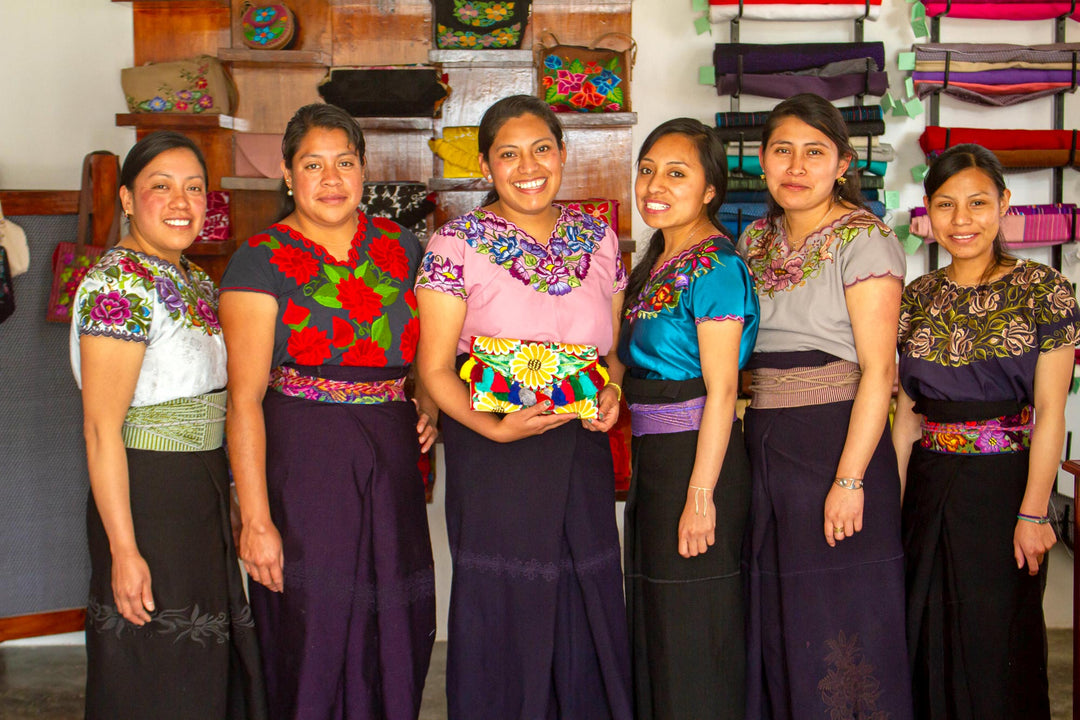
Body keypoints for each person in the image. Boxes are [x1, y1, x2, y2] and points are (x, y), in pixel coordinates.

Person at [415, 94, 632, 720]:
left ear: (563, 155)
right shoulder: (455, 244)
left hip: (582, 441)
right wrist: (497, 429)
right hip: (494, 450)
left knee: (582, 587)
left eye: (541, 149)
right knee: (505, 596)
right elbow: (433, 367)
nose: (527, 166)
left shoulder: (598, 237)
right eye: (508, 154)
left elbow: (612, 351)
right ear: (486, 166)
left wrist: (612, 391)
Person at [218, 103, 437, 720]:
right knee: (312, 626)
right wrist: (255, 519)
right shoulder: (259, 258)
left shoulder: (403, 248)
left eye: (345, 162)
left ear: (365, 170)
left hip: (392, 460)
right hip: (305, 460)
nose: (331, 178)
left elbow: (431, 350)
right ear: (287, 175)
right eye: (312, 165)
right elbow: (243, 400)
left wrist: (426, 402)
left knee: (396, 619)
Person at [70, 130, 266, 719]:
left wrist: (228, 493)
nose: (182, 202)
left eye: (194, 188)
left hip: (198, 490)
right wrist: (123, 550)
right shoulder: (118, 284)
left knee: (202, 663)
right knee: (158, 660)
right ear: (127, 199)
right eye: (161, 187)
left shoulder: (194, 278)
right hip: (148, 492)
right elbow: (102, 429)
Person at [737, 93, 914, 719]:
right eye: (782, 150)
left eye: (815, 153)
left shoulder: (865, 238)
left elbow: (880, 370)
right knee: (779, 614)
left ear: (842, 164)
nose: (796, 166)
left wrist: (850, 478)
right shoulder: (754, 239)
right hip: (763, 445)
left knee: (842, 615)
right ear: (761, 160)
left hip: (835, 441)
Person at [893, 143, 1079, 720]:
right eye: (945, 205)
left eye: (977, 203)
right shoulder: (916, 297)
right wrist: (894, 509)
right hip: (928, 482)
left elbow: (1051, 410)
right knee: (923, 634)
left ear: (1004, 204)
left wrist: (1033, 513)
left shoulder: (1045, 288)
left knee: (996, 638)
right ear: (927, 211)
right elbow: (906, 416)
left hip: (1005, 491)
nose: (962, 220)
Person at [619, 118, 758, 720]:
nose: (654, 184)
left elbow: (723, 390)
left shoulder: (717, 268)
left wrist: (701, 494)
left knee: (696, 626)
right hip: (654, 463)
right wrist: (608, 393)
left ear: (709, 190)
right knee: (657, 621)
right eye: (647, 169)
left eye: (676, 173)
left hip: (700, 461)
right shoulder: (654, 260)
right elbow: (638, 365)